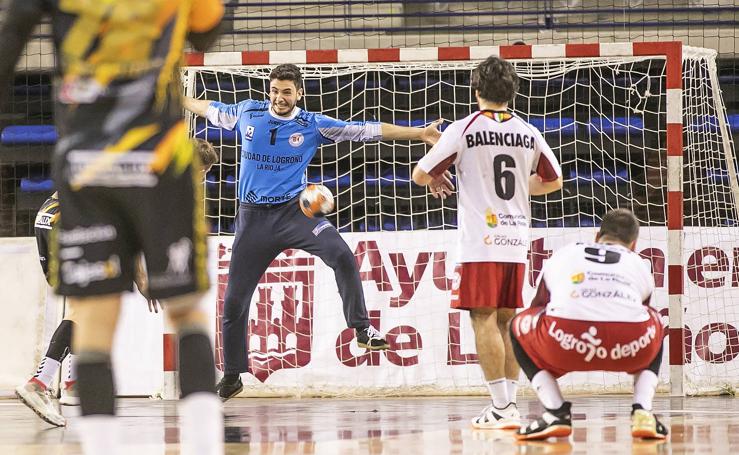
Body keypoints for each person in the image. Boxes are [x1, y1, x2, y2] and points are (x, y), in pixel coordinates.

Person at [0, 2, 225, 455]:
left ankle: (88, 430)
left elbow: (11, 43)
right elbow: (207, 34)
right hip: (158, 161)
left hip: (87, 165)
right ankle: (204, 444)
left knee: (94, 318)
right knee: (186, 312)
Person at [183, 63, 441, 400]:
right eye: (275, 90)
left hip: (296, 213)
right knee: (233, 302)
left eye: (286, 92)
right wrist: (182, 99)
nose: (278, 97)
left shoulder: (313, 124)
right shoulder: (247, 112)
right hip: (252, 220)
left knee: (342, 255)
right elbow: (209, 108)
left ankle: (361, 328)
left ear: (299, 93)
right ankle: (232, 375)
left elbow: (366, 130)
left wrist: (419, 133)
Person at [14, 138, 219, 428]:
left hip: (50, 216)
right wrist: (143, 278)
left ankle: (73, 382)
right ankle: (39, 382)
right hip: (76, 223)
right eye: (200, 174)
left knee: (84, 304)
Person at [412, 56, 563, 430]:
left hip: (481, 240)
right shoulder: (529, 131)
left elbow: (420, 174)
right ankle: (509, 405)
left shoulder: (465, 128)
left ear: (476, 90)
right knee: (508, 321)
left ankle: (500, 407)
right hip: (515, 238)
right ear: (512, 91)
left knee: (483, 319)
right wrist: (517, 193)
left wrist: (439, 179)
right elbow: (555, 180)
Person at [511, 209, 667, 441]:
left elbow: (539, 306)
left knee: (517, 324)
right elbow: (638, 315)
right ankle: (643, 410)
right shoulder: (639, 263)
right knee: (656, 323)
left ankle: (555, 411)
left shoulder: (566, 253)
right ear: (633, 244)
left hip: (564, 343)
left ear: (597, 236)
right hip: (629, 347)